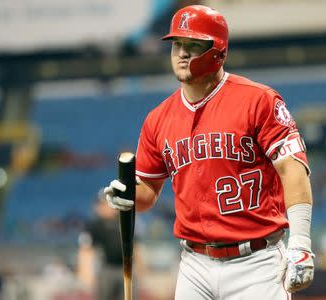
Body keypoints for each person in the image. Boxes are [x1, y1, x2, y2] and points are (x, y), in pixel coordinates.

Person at [104, 5, 314, 299]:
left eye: (193, 45)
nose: (181, 53)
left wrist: (301, 243)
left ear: (219, 52)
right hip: (195, 264)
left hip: (256, 262)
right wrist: (128, 195)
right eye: (177, 44)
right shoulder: (157, 118)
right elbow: (148, 191)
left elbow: (293, 168)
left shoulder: (258, 100)